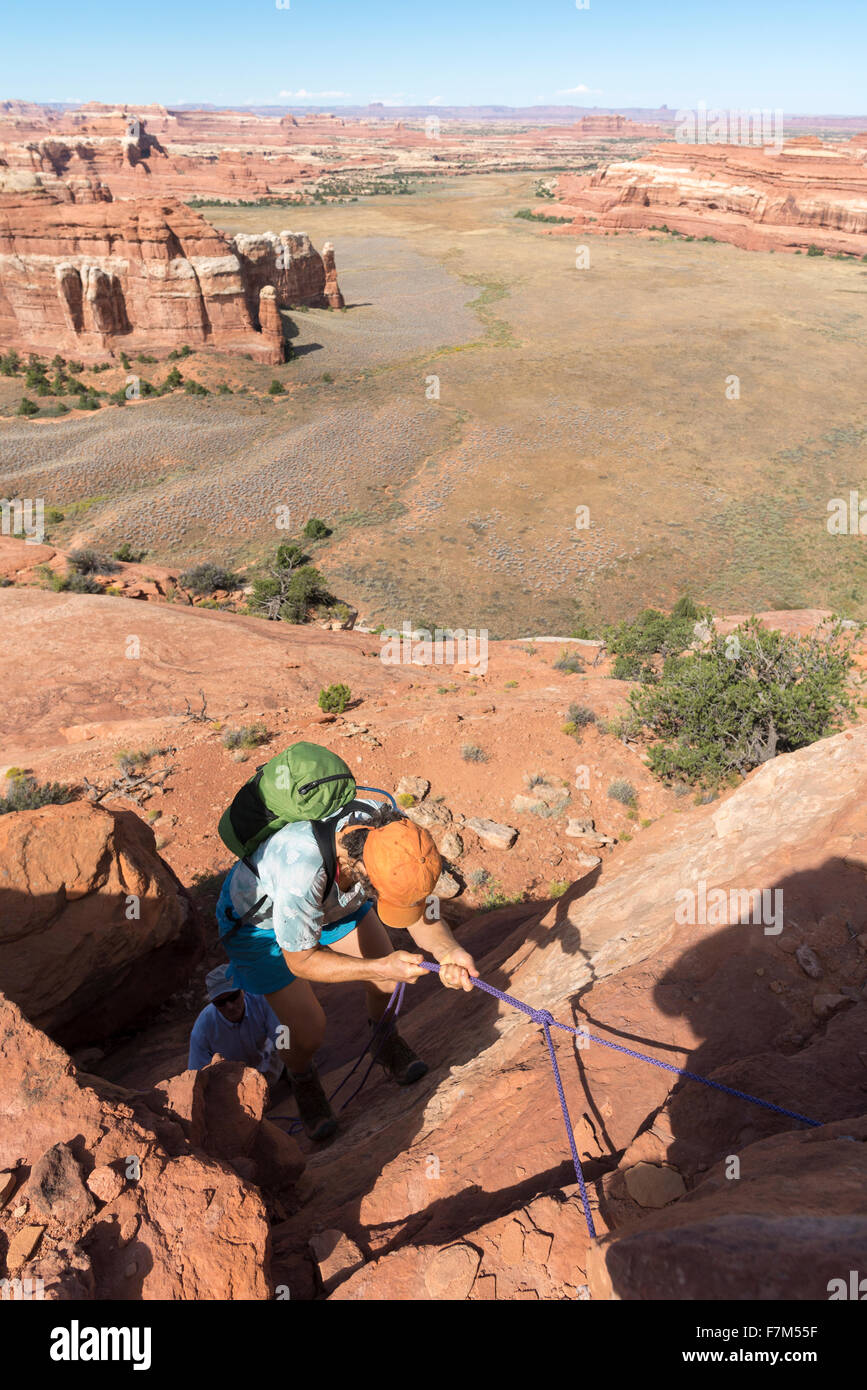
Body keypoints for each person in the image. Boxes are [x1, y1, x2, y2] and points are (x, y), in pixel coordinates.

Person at [216, 801, 478, 1141]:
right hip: (258, 924)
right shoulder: (302, 871)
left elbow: (419, 913)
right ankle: (302, 1078)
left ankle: (384, 1042)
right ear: (362, 870)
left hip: (332, 902)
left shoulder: (393, 838)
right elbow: (302, 960)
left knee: (386, 983)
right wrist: (381, 965)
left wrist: (449, 951)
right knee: (307, 1029)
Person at [188, 963, 285, 1089]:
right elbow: (196, 1073)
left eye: (233, 997)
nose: (230, 1006)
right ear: (213, 1003)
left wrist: (289, 1057)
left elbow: (283, 1032)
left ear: (243, 990)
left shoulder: (261, 1000)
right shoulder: (203, 1028)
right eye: (221, 1002)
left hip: (272, 1063)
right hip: (235, 1083)